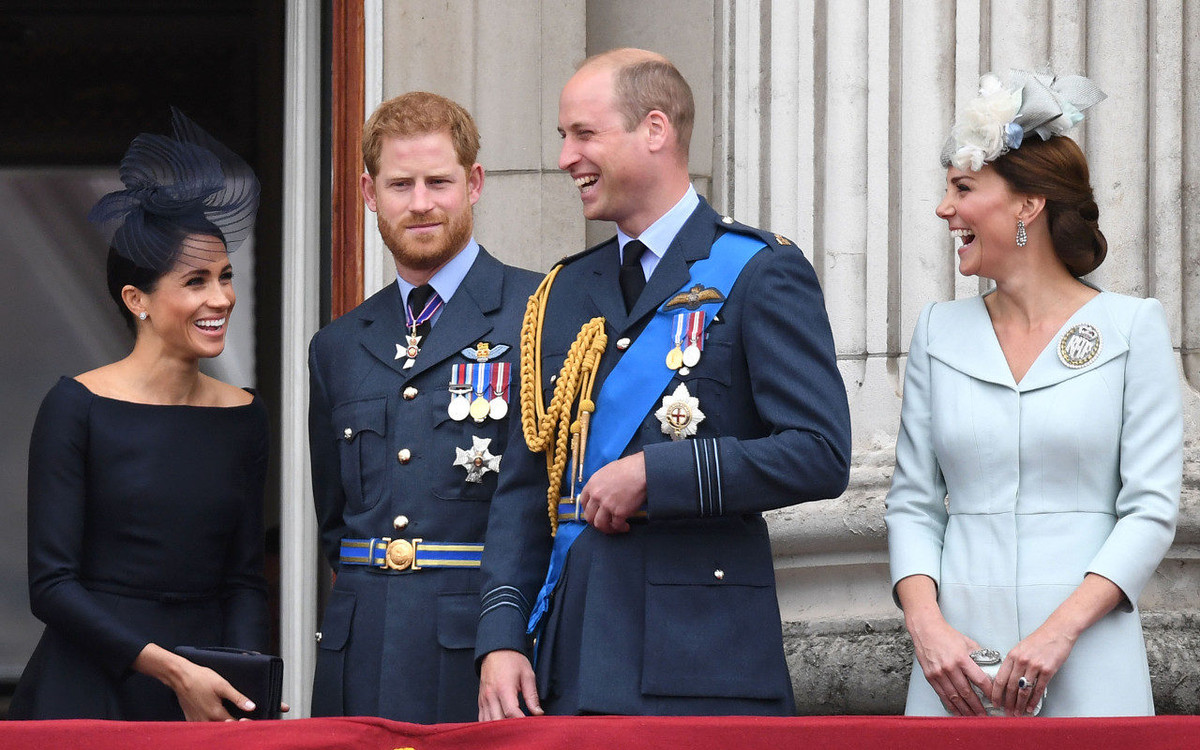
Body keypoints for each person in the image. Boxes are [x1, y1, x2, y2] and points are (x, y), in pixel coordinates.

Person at [475, 48, 850, 719]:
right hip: (570, 657)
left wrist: (660, 473)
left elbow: (819, 452)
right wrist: (502, 638)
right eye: (564, 137)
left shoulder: (759, 272)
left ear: (655, 130)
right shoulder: (561, 292)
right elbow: (523, 492)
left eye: (584, 135)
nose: (566, 158)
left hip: (701, 660)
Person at [885, 70, 1181, 717]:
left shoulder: (1132, 328)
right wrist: (927, 630)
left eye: (963, 189)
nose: (944, 209)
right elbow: (912, 505)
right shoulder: (939, 331)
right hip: (953, 670)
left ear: (1028, 205)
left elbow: (1151, 508)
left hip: (1087, 656)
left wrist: (1058, 632)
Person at [9, 109, 272, 721]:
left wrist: (244, 686)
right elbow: (51, 587)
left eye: (226, 276)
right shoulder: (75, 406)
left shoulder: (243, 415)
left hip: (206, 695)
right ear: (138, 300)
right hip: (90, 690)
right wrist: (174, 669)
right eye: (197, 280)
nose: (221, 298)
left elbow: (243, 582)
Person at [308, 92, 540, 722]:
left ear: (474, 183)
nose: (420, 203)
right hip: (359, 646)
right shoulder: (337, 345)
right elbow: (335, 519)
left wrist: (507, 632)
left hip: (478, 649)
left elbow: (542, 506)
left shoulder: (539, 313)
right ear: (367, 191)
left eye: (439, 181)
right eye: (399, 183)